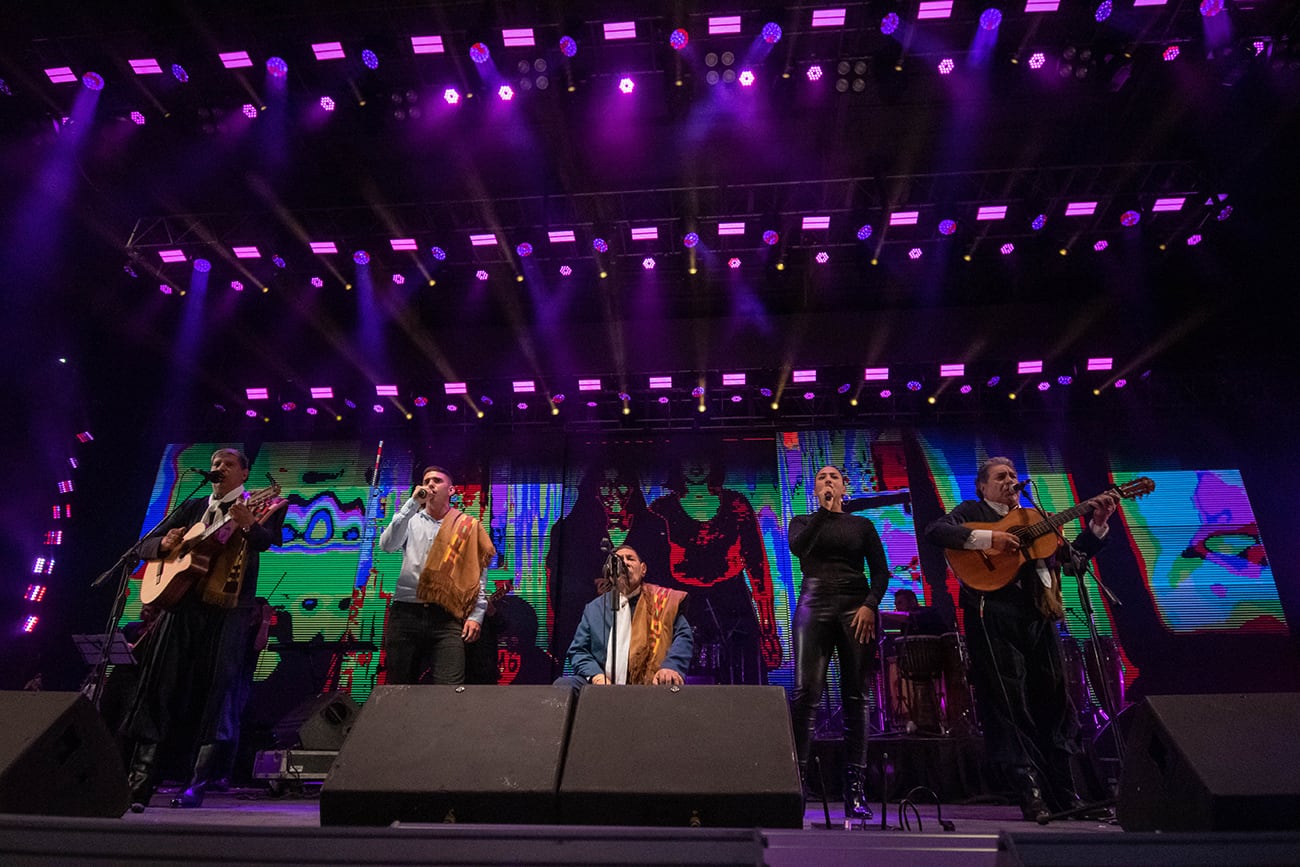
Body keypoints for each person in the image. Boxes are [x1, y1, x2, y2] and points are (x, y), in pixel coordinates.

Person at [923, 456, 1117, 821]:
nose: (1010, 480)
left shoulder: (1034, 517)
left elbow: (1072, 562)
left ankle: (1065, 793)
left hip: (1038, 615)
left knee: (1055, 701)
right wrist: (990, 537)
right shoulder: (971, 510)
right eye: (1001, 476)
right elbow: (936, 531)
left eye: (1013, 475)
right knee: (1009, 703)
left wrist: (1096, 527)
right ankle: (1031, 793)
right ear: (982, 486)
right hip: (993, 614)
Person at [122, 447, 285, 811]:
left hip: (228, 612)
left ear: (244, 475)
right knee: (159, 690)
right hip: (180, 609)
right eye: (215, 463)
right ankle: (139, 782)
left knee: (215, 696)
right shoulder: (193, 508)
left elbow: (265, 542)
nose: (219, 468)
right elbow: (142, 547)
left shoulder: (259, 506)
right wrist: (161, 544)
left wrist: (246, 523)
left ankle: (196, 785)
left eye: (228, 464)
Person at [787, 465, 891, 823]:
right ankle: (796, 788)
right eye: (821, 478)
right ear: (816, 489)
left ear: (846, 487)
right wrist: (824, 511)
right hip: (813, 602)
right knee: (804, 695)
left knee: (857, 696)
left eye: (834, 478)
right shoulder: (802, 521)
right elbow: (798, 548)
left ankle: (855, 791)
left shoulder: (862, 526)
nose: (828, 481)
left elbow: (881, 571)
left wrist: (869, 606)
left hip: (855, 605)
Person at [649, 455, 781, 684]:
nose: (697, 465)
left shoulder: (737, 504)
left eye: (704, 458)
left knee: (743, 682)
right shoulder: (661, 510)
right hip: (680, 607)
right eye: (689, 459)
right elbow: (651, 572)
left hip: (734, 607)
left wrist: (768, 628)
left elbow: (758, 567)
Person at [545, 462, 669, 672]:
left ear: (632, 488)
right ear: (593, 489)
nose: (613, 493)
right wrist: (592, 588)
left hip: (641, 624)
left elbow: (664, 578)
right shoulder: (568, 529)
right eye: (605, 485)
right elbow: (558, 582)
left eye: (620, 485)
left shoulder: (653, 526)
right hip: (589, 626)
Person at [378, 465, 495, 685]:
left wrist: (476, 615)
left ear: (451, 490)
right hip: (407, 613)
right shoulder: (410, 519)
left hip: (447, 616)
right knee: (398, 689)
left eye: (437, 480)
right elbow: (387, 546)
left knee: (449, 690)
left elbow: (479, 575)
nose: (430, 484)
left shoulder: (468, 526)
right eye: (426, 480)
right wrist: (411, 504)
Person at [553, 545, 692, 691]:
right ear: (609, 571)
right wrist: (596, 676)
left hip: (650, 682)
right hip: (601, 682)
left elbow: (683, 636)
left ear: (643, 569)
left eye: (630, 559)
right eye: (617, 560)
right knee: (563, 686)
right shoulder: (594, 609)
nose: (624, 563)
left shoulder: (662, 601)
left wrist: (671, 667)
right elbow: (578, 651)